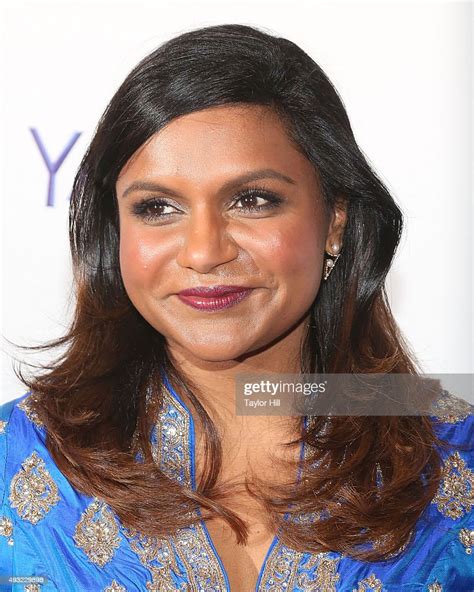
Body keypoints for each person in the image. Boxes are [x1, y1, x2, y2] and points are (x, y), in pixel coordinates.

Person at [0, 23, 473, 592]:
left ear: (336, 221)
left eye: (253, 200)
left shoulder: (455, 454)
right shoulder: (15, 457)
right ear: (114, 231)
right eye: (157, 207)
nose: (204, 252)